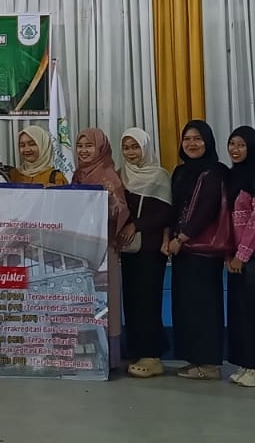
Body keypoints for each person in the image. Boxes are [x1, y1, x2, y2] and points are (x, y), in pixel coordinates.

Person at [165, 120, 228, 381]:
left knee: (205, 308)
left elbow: (207, 209)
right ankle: (196, 360)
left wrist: (181, 237)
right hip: (183, 252)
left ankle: (210, 364)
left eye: (198, 139)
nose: (192, 144)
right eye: (187, 139)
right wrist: (170, 237)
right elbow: (173, 207)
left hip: (204, 251)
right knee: (187, 308)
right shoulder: (180, 172)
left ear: (208, 142)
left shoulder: (215, 171)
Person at [72, 128, 135, 373]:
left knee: (105, 299)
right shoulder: (78, 174)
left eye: (89, 146)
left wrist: (108, 200)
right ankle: (86, 353)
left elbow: (121, 211)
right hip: (83, 248)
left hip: (105, 248)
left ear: (101, 148)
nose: (83, 151)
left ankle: (109, 358)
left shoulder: (108, 175)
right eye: (80, 146)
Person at [118, 127, 172, 379]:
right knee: (131, 301)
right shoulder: (121, 175)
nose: (130, 152)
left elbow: (165, 213)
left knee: (148, 301)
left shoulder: (159, 176)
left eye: (135, 147)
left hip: (150, 249)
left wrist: (136, 225)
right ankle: (136, 351)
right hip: (128, 249)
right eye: (126, 147)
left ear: (146, 148)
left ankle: (152, 356)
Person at [224, 126, 255, 388]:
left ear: (252, 147)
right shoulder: (232, 176)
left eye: (241, 144)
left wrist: (242, 255)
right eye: (232, 144)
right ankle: (245, 363)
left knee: (254, 314)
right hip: (234, 258)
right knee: (239, 313)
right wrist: (229, 254)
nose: (235, 149)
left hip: (253, 258)